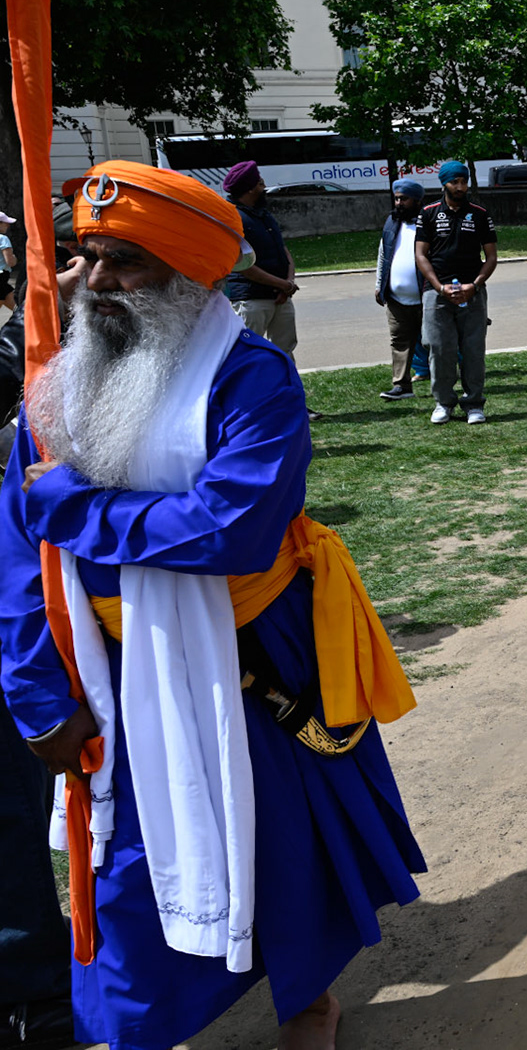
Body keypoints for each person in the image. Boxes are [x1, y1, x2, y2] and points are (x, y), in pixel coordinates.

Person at [2, 160, 423, 1050]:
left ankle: (307, 1004)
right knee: (124, 884)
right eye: (88, 257)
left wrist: (78, 507)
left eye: (126, 262)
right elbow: (20, 561)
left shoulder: (254, 380)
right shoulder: (56, 385)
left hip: (254, 660)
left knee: (283, 853)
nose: (98, 283)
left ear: (190, 277)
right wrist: (37, 695)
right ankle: (128, 1031)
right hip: (112, 681)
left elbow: (229, 526)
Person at [415, 161, 498, 425]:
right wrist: (439, 287)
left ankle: (474, 403)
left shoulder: (480, 213)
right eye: (455, 182)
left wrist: (474, 285)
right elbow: (420, 254)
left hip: (472, 291)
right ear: (444, 184)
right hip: (436, 292)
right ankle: (443, 403)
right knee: (439, 348)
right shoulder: (428, 213)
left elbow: (492, 256)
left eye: (463, 181)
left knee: (473, 349)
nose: (460, 187)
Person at [221, 160, 299, 358]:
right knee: (248, 355)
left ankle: (286, 389)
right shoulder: (232, 218)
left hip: (281, 296)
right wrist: (282, 284)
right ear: (249, 189)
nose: (264, 188)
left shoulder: (264, 214)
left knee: (285, 352)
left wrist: (288, 283)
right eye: (260, 184)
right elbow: (242, 266)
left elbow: (283, 250)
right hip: (251, 299)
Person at [373, 180, 427, 402]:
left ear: (416, 200)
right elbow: (383, 254)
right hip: (396, 299)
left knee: (436, 341)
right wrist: (379, 284)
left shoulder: (429, 221)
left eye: (404, 199)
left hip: (426, 296)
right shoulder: (392, 222)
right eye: (396, 198)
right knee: (399, 342)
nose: (399, 203)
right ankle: (402, 386)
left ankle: (445, 384)